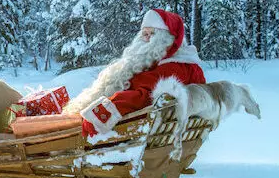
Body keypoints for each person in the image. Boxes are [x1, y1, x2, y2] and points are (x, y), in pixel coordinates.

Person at [63, 9, 206, 137]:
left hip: (132, 130)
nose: (147, 39)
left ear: (167, 38)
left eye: (153, 34)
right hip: (129, 122)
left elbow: (144, 96)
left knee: (61, 124)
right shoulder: (157, 60)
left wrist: (101, 114)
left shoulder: (175, 67)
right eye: (145, 34)